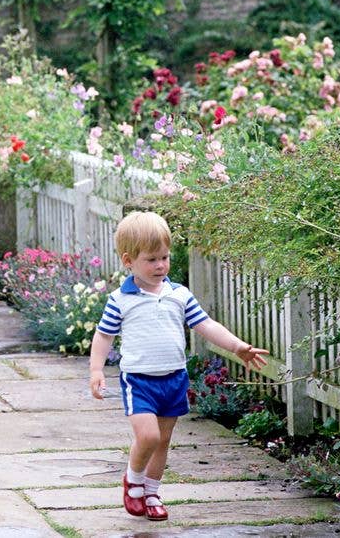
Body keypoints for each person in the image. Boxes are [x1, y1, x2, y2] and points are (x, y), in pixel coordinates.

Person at [89, 211, 268, 521]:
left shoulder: (179, 295)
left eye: (165, 257)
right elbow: (103, 335)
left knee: (164, 441)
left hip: (174, 378)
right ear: (129, 260)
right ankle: (132, 480)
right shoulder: (120, 300)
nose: (161, 265)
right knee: (149, 437)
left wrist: (238, 346)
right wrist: (95, 370)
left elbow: (206, 325)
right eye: (152, 260)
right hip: (139, 381)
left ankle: (153, 491)